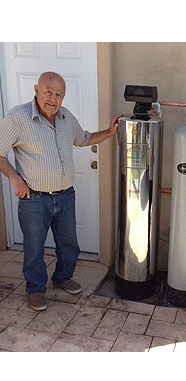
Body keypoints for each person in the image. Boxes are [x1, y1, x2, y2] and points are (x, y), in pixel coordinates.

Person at [0, 71, 121, 311]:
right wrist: (15, 178)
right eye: (48, 92)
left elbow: (84, 138)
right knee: (34, 248)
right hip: (34, 198)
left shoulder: (66, 117)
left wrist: (108, 132)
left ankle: (62, 278)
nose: (53, 99)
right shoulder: (18, 117)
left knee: (70, 245)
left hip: (65, 196)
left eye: (59, 94)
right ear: (36, 89)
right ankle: (35, 289)